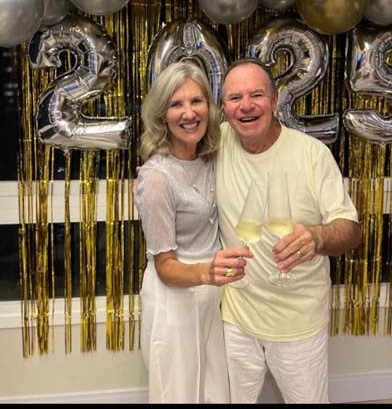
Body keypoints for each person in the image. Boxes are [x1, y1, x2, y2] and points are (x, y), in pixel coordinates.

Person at [215, 58, 361, 404]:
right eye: (235, 98)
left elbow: (351, 230)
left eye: (256, 95)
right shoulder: (217, 142)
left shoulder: (312, 154)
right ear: (224, 107)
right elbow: (174, 140)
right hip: (236, 318)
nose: (246, 106)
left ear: (275, 99)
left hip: (299, 323)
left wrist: (318, 237)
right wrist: (153, 173)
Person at [133, 61, 250, 404]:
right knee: (178, 395)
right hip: (175, 301)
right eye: (176, 104)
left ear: (209, 108)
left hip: (213, 297)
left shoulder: (213, 157)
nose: (188, 113)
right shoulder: (156, 177)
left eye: (196, 101)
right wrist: (206, 272)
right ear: (162, 115)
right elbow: (165, 267)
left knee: (215, 393)